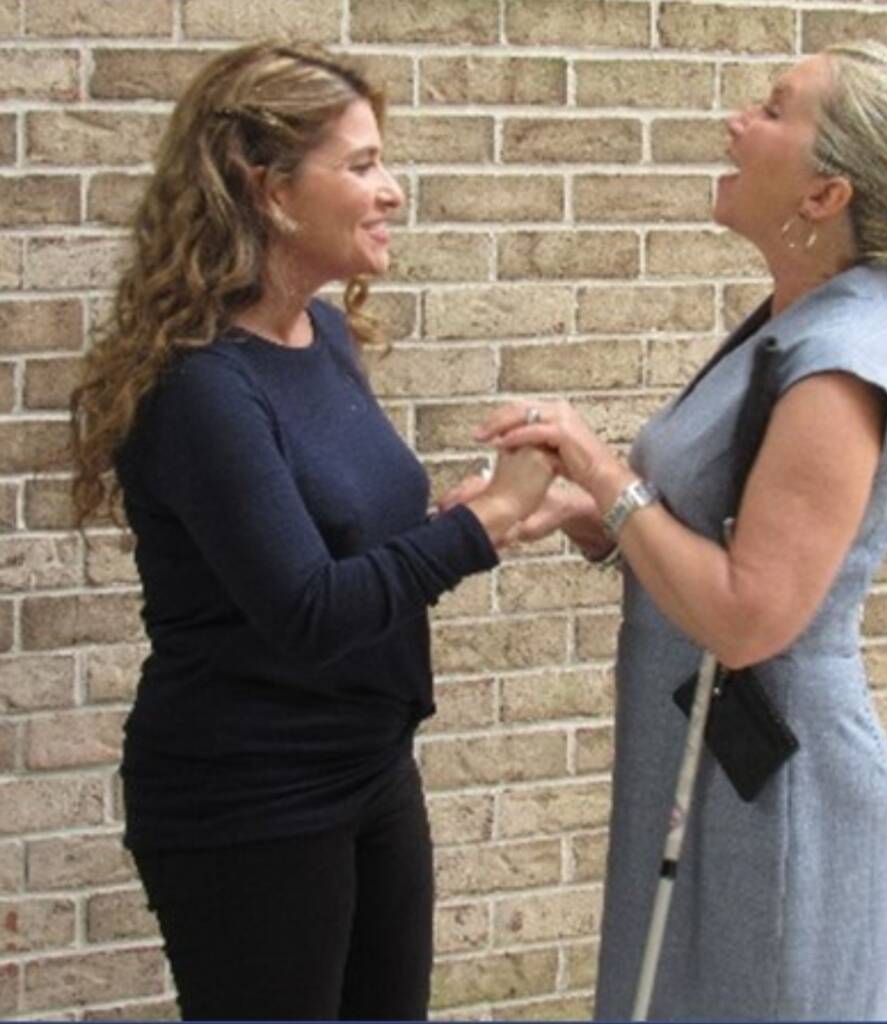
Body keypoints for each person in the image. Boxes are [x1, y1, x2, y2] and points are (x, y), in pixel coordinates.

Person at [447, 41, 887, 1021]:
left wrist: (601, 469)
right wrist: (588, 515)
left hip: (781, 804)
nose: (738, 121)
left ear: (825, 194)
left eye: (775, 111)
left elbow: (748, 616)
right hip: (712, 783)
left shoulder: (839, 364)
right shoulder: (792, 322)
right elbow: (716, 525)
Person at [69, 42, 554, 1022]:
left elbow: (338, 548)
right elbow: (305, 608)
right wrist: (488, 522)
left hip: (368, 763)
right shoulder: (201, 385)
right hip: (249, 796)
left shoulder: (322, 335)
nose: (394, 191)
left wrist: (475, 521)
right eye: (363, 164)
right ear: (271, 190)